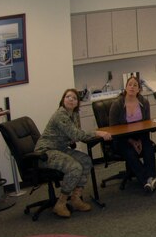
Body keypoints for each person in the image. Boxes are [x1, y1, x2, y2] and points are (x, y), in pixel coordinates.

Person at [36, 88, 112, 218]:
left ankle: (76, 199)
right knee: (75, 167)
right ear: (63, 100)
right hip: (46, 151)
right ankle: (61, 203)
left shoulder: (74, 115)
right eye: (68, 97)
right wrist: (97, 133)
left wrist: (73, 138)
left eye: (74, 98)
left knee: (86, 161)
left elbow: (74, 136)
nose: (71, 99)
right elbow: (76, 134)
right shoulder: (61, 114)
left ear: (77, 103)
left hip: (60, 148)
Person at [108, 74, 156, 192]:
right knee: (129, 152)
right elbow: (113, 128)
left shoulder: (144, 102)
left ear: (139, 89)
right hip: (122, 138)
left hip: (140, 135)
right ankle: (147, 179)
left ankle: (151, 177)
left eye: (135, 85)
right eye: (129, 84)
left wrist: (139, 140)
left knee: (148, 148)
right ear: (125, 88)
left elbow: (147, 124)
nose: (132, 87)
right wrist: (131, 141)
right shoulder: (117, 104)